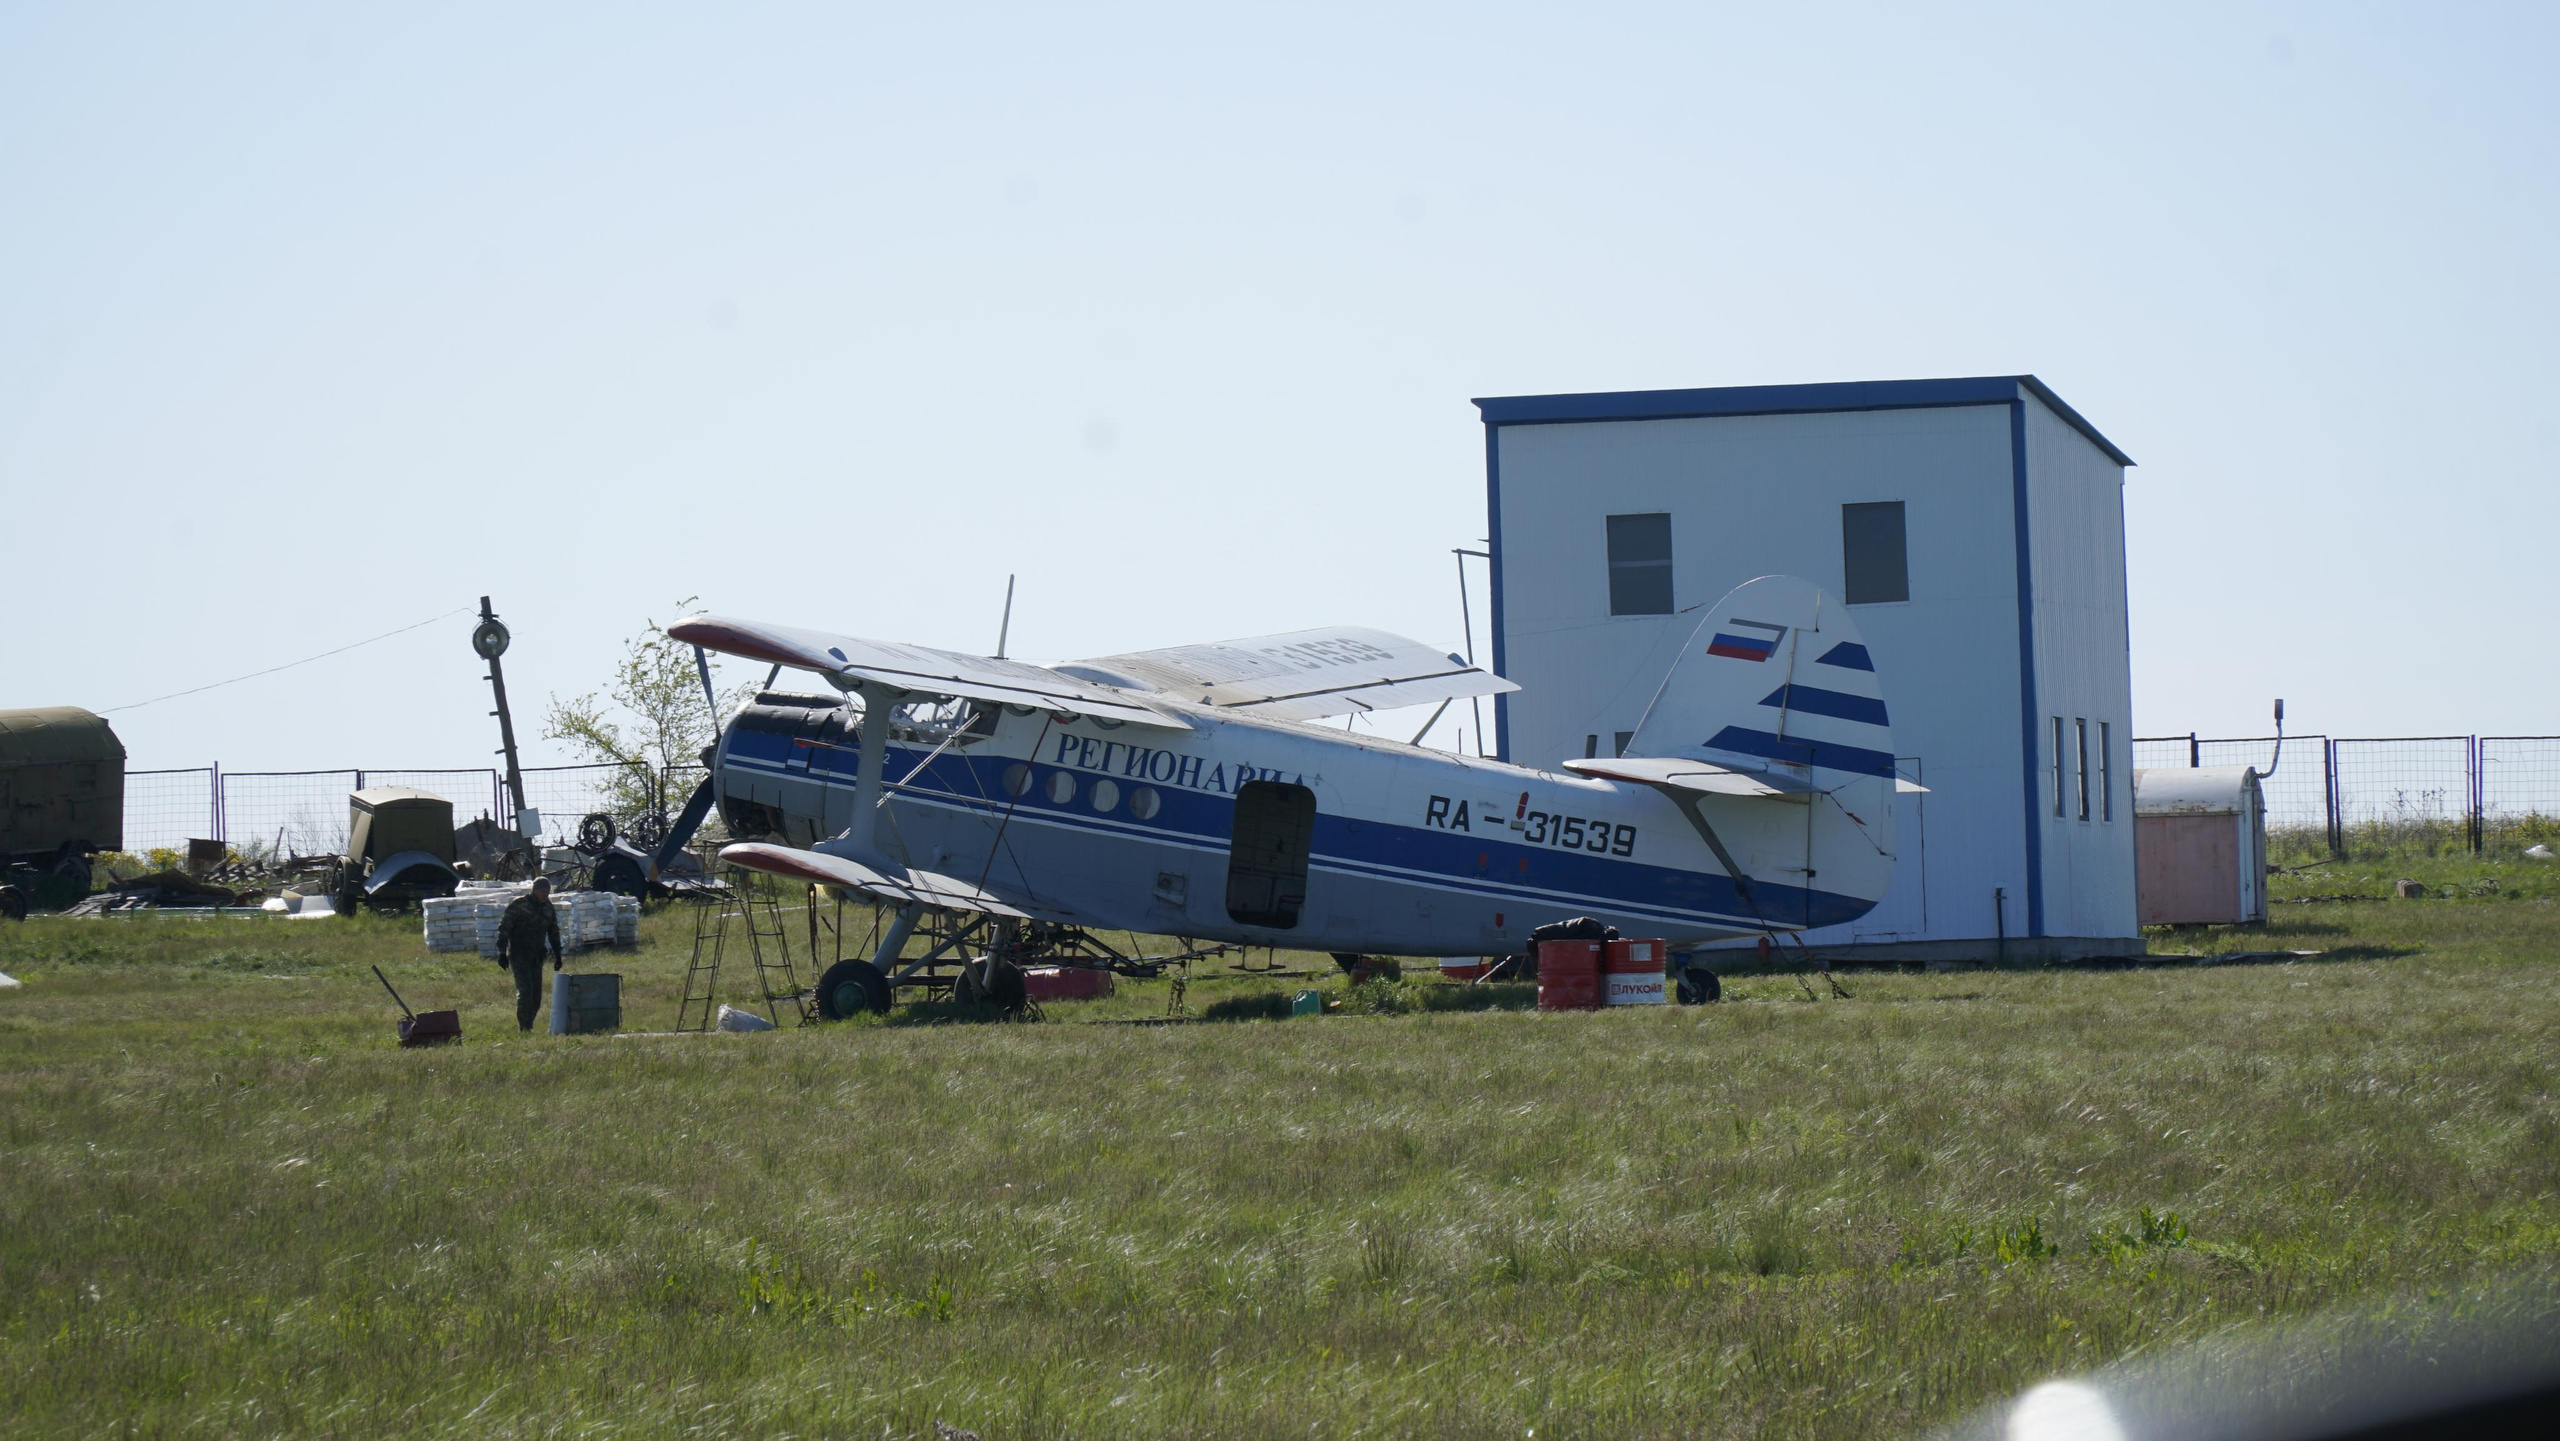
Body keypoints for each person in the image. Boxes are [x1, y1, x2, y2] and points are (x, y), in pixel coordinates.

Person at [496, 878, 564, 1032]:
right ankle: (524, 1029)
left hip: (537, 956)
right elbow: (504, 928)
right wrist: (502, 953)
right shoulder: (519, 905)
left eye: (547, 891)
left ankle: (529, 1024)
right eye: (541, 891)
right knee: (525, 992)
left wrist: (558, 955)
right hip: (519, 954)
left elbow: (553, 932)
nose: (544, 894)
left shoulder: (548, 908)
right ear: (534, 890)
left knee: (536, 997)